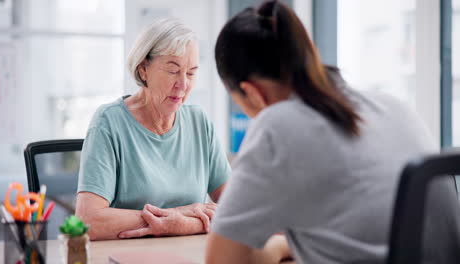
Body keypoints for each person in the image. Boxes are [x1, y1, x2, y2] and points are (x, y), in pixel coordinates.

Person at [206, 1, 460, 263]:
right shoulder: (392, 105)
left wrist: (273, 249)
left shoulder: (277, 125)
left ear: (252, 93)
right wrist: (285, 246)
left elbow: (222, 259)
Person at [75, 18, 230, 241]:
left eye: (191, 73)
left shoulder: (199, 122)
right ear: (143, 69)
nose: (183, 84)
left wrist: (182, 224)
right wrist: (175, 219)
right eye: (173, 70)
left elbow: (236, 209)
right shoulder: (108, 122)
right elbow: (88, 221)